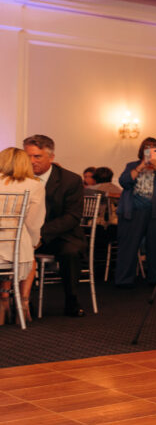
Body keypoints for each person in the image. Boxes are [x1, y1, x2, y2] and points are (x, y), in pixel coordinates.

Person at [23, 134, 86, 316]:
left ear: (51, 157)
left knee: (71, 252)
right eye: (28, 156)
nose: (32, 161)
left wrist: (41, 234)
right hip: (28, 235)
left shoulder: (70, 180)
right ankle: (23, 302)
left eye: (37, 156)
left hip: (61, 235)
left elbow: (72, 216)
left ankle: (72, 299)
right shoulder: (19, 179)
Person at [114, 137, 156, 288]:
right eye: (148, 148)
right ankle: (124, 279)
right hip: (133, 211)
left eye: (155, 149)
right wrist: (142, 166)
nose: (151, 151)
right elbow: (124, 182)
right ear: (142, 151)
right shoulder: (132, 165)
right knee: (128, 246)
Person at [0, 148, 45, 325]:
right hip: (17, 253)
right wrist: (33, 242)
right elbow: (34, 222)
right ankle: (23, 304)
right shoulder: (34, 186)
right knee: (29, 253)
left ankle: (3, 300)